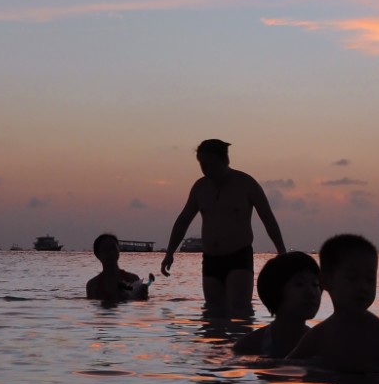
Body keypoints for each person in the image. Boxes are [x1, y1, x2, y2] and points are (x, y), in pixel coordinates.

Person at [162, 139, 286, 312]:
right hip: (211, 259)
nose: (207, 170)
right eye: (203, 165)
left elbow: (268, 219)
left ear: (225, 161)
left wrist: (281, 252)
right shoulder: (200, 187)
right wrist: (169, 253)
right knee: (213, 314)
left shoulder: (246, 183)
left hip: (239, 256)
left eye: (212, 164)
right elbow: (183, 220)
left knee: (239, 310)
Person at [287, 234, 379, 372]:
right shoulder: (319, 335)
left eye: (370, 279)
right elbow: (288, 364)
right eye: (352, 278)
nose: (363, 287)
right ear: (326, 282)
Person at [235, 250, 321, 357]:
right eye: (299, 284)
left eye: (315, 284)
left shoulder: (322, 345)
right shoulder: (250, 345)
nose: (311, 293)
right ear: (275, 291)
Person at [86, 233, 146, 301]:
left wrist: (143, 296)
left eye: (113, 248)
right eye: (106, 249)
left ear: (119, 250)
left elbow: (139, 304)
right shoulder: (93, 285)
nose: (111, 252)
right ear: (97, 255)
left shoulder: (132, 279)